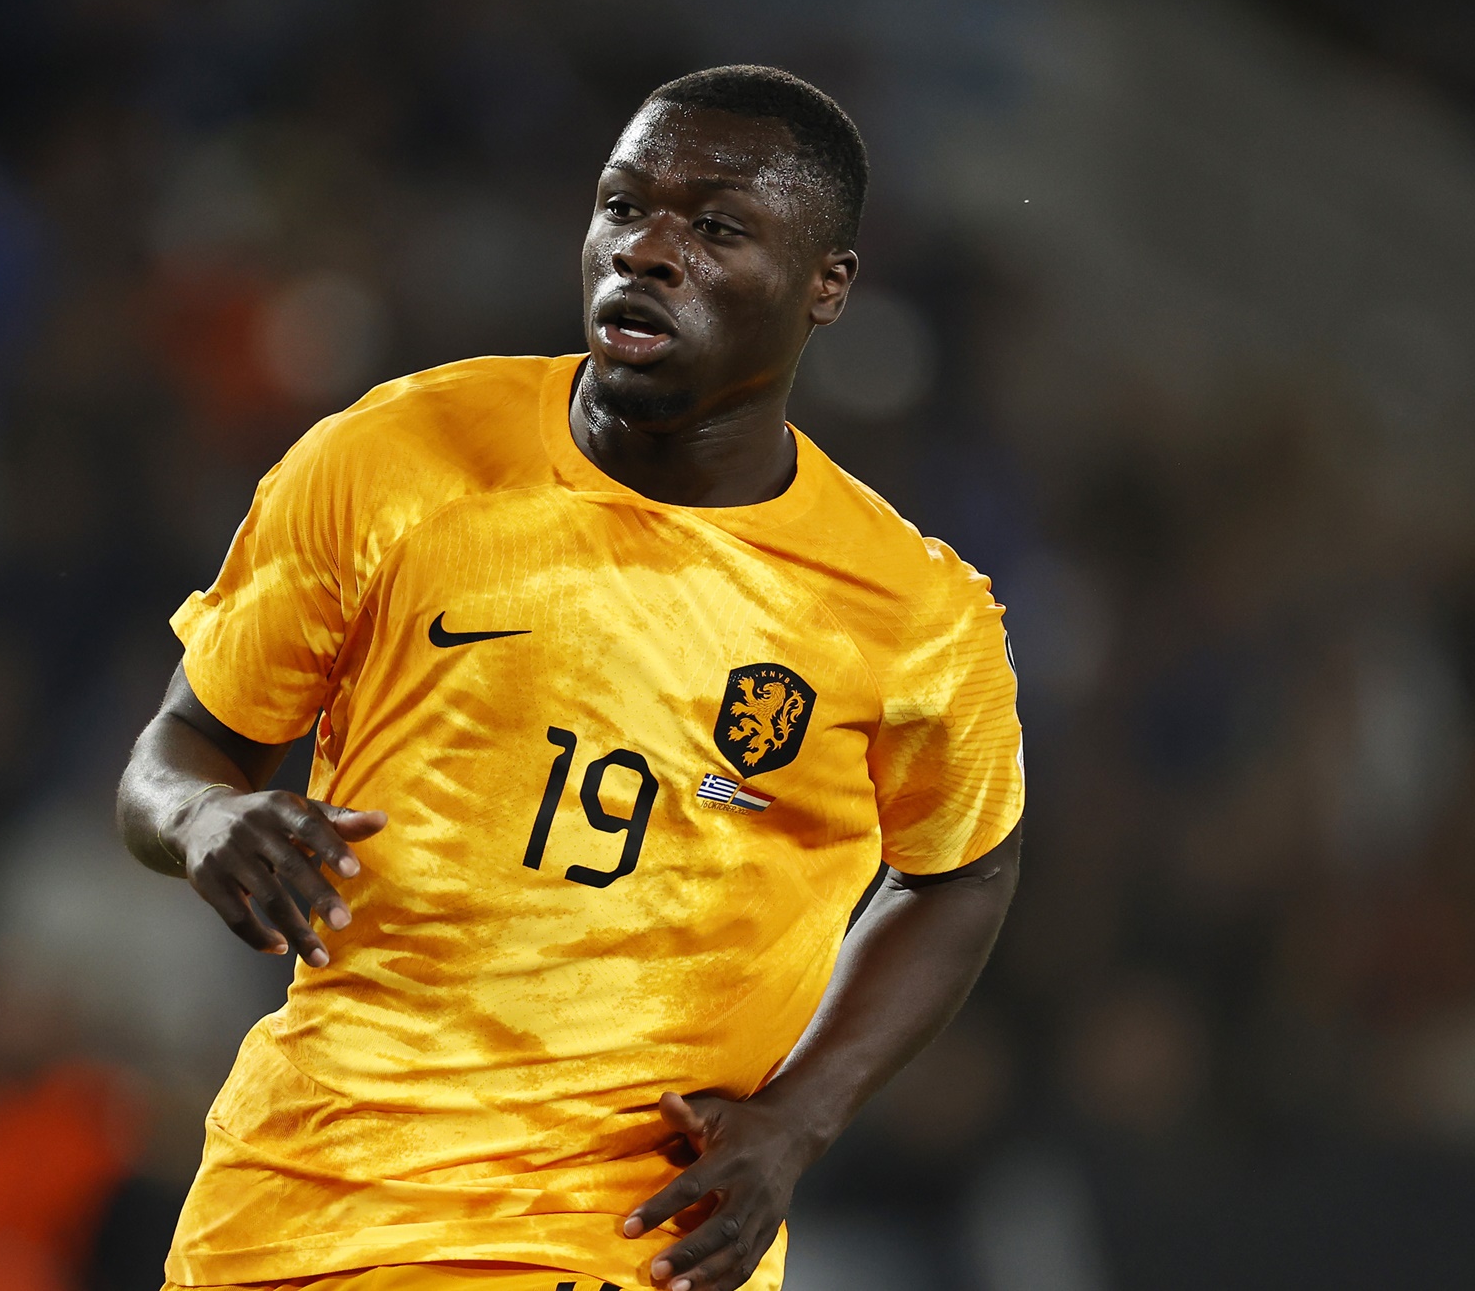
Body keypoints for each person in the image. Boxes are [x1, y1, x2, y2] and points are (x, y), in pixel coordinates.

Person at [115, 64, 1023, 1291]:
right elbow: (178, 753)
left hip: (624, 1244)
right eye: (620, 205)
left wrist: (797, 1122)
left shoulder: (909, 616)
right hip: (304, 1215)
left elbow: (962, 871)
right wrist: (208, 815)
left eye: (713, 228)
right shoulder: (396, 457)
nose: (645, 250)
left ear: (828, 285)